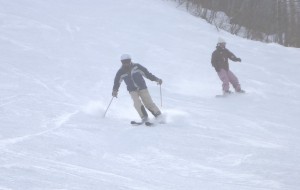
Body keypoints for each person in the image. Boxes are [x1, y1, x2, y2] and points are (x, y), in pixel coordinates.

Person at [112, 54, 162, 122]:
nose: (126, 63)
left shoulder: (137, 66)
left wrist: (157, 79)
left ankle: (158, 115)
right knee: (137, 103)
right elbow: (117, 82)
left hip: (142, 88)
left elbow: (147, 74)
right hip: (132, 90)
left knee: (148, 102)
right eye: (124, 62)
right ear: (122, 62)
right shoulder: (120, 72)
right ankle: (144, 117)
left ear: (130, 60)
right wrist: (115, 90)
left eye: (127, 61)